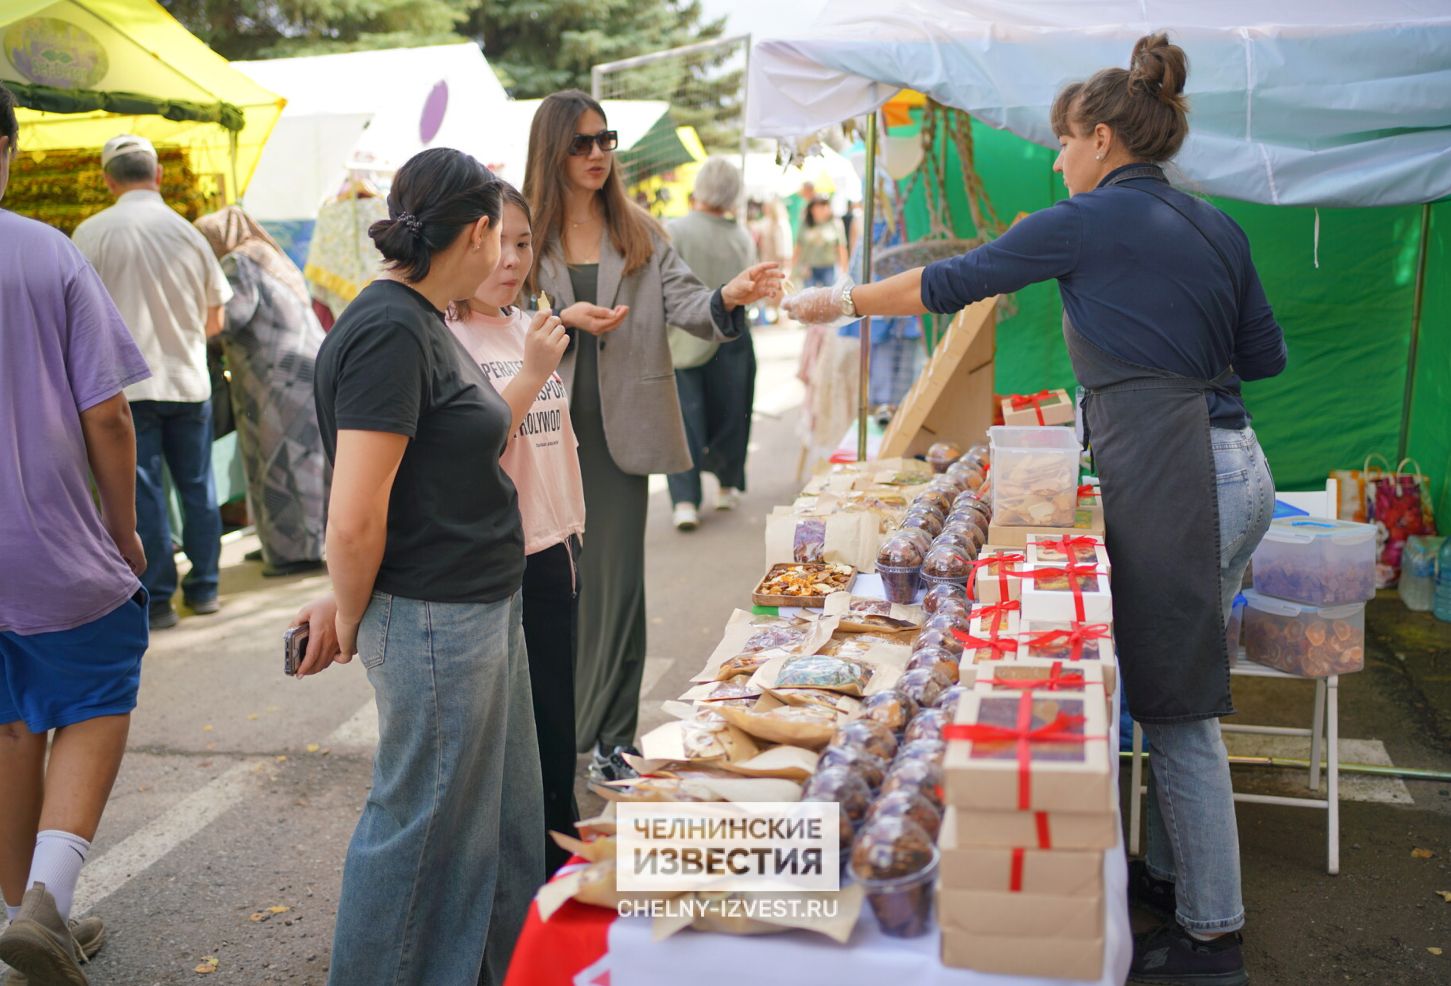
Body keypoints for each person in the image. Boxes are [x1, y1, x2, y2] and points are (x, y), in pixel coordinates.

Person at [786, 34, 1285, 986]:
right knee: (1175, 676)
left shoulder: (1086, 218)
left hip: (1183, 472)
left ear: (1100, 140)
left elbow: (952, 281)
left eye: (1062, 142)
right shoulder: (1215, 225)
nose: (1057, 158)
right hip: (1236, 465)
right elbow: (1264, 360)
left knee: (1178, 709)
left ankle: (1212, 934)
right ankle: (1176, 881)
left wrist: (837, 302)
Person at [290, 148, 544, 986]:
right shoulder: (391, 329)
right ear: (474, 232)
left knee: (494, 824)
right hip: (435, 615)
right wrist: (350, 611)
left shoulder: (420, 318)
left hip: (473, 603)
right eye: (500, 237)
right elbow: (356, 512)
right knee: (422, 829)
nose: (506, 255)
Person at [523, 89, 781, 778]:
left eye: (605, 140)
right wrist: (559, 319)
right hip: (537, 433)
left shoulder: (640, 231)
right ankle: (550, 733)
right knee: (547, 584)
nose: (597, 153)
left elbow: (691, 306)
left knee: (615, 587)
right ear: (552, 150)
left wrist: (730, 295)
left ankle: (610, 736)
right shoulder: (522, 232)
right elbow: (493, 313)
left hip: (618, 438)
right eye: (581, 143)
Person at [0, 83, 150, 983]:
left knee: (12, 719)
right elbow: (110, 417)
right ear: (7, 150)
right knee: (96, 691)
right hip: (48, 540)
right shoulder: (44, 254)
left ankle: (13, 915)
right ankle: (48, 900)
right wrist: (124, 534)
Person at [447, 183, 623, 876]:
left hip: (557, 547)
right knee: (506, 733)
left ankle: (557, 864)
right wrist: (532, 369)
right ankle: (528, 874)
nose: (510, 258)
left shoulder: (530, 325)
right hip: (498, 562)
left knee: (555, 722)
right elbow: (476, 445)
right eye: (494, 243)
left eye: (522, 243)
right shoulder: (446, 336)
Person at [72, 134, 231, 630]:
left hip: (126, 391)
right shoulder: (187, 234)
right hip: (188, 382)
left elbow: (76, 325)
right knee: (197, 486)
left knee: (145, 495)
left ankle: (158, 600)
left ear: (107, 180)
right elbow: (216, 319)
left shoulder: (89, 234)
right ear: (157, 175)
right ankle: (204, 588)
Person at [195, 205, 328, 577]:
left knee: (282, 464)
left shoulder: (237, 264)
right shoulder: (266, 254)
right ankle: (283, 543)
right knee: (303, 458)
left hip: (276, 379)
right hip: (299, 372)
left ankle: (294, 553)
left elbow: (230, 318)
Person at [664, 158, 759, 530]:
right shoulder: (742, 237)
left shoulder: (675, 230)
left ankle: (685, 500)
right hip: (733, 335)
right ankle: (727, 485)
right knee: (733, 414)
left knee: (684, 422)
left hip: (684, 337)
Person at [791, 196, 848, 289]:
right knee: (809, 297)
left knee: (829, 298)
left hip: (829, 268)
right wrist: (793, 269)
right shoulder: (805, 224)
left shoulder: (835, 223)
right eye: (819, 206)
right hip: (809, 268)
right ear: (812, 209)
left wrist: (844, 270)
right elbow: (798, 247)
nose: (823, 209)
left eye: (825, 205)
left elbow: (841, 247)